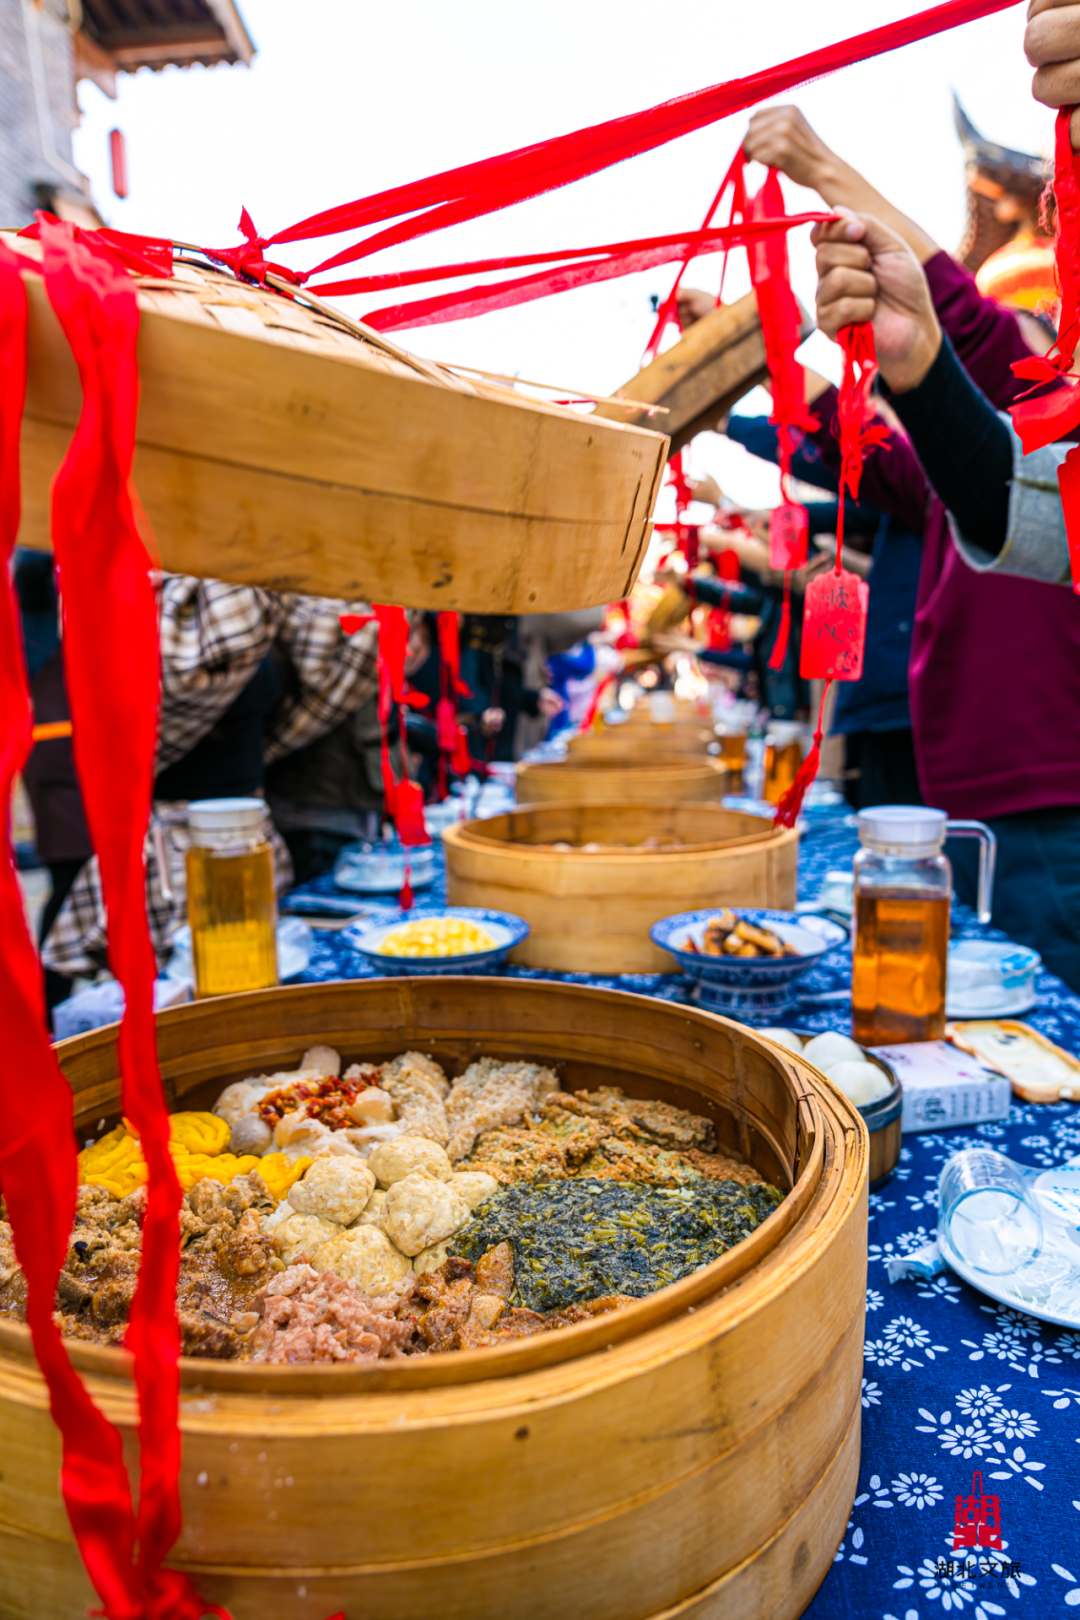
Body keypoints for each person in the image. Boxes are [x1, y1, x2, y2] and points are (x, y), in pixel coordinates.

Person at [42, 580, 380, 985]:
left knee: (249, 980)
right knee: (187, 993)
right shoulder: (157, 599)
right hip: (175, 847)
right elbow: (200, 664)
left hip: (250, 829)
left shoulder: (256, 597)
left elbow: (321, 674)